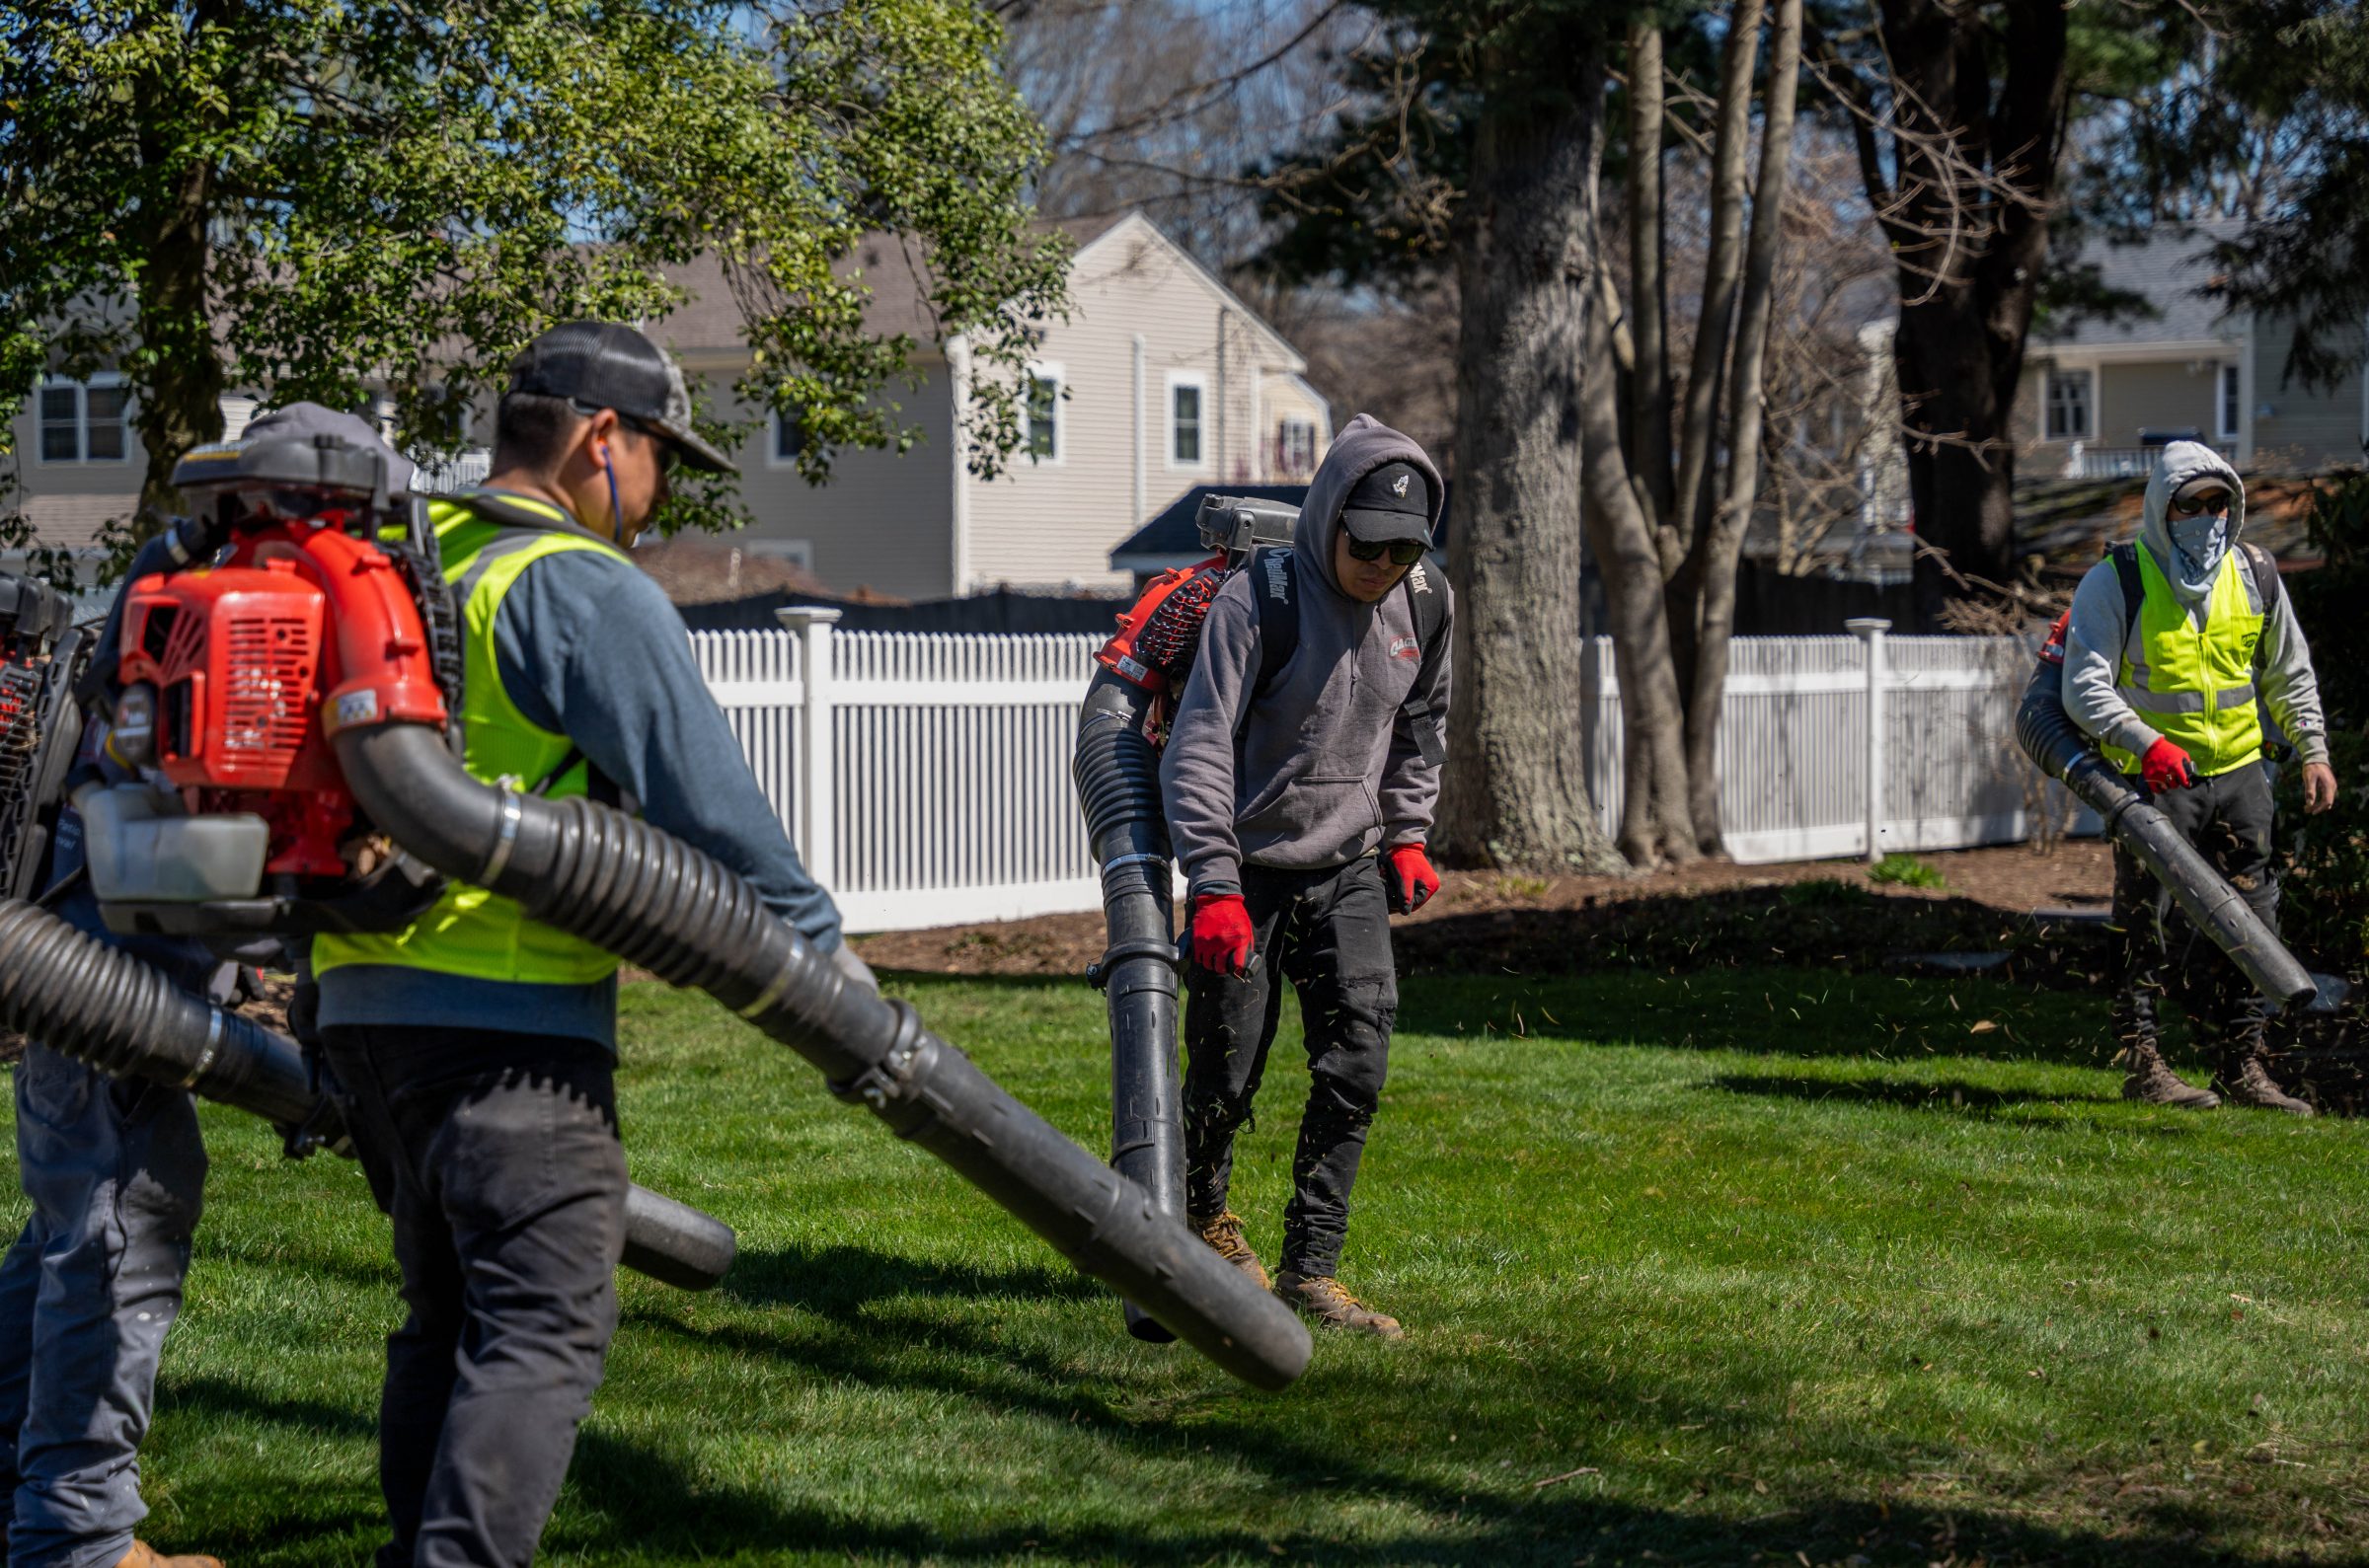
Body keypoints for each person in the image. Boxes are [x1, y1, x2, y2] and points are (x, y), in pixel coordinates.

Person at [308, 322, 870, 1567]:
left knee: (442, 1313)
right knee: (543, 1323)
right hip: (508, 1031)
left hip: (361, 1008)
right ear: (599, 440)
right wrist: (828, 958)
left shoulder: (403, 563)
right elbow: (709, 804)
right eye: (662, 454)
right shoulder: (576, 584)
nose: (660, 489)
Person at [0, 402, 403, 1568]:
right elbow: (265, 827)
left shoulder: (172, 577)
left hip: (84, 956)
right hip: (101, 983)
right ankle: (78, 1537)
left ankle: (19, 1483)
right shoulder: (254, 610)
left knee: (70, 1233)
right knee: (121, 1225)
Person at [1157, 414, 1452, 1340]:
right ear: (1329, 517)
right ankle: (1202, 1216)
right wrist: (1210, 884)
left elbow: (1421, 725)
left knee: (1357, 1060)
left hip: (1349, 863)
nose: (1383, 564)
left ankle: (1312, 1269)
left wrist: (1406, 833)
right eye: (1368, 545)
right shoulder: (1262, 599)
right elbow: (1198, 743)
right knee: (1225, 1070)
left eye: (1405, 548)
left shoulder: (1427, 601)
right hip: (1244, 868)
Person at [2060, 439, 2335, 1114]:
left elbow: (2287, 672)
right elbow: (2082, 687)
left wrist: (2314, 749)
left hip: (2241, 776)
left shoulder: (2255, 574)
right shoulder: (2118, 580)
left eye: (2221, 503)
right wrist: (2144, 742)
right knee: (2144, 922)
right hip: (2153, 785)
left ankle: (2244, 1066)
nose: (2209, 517)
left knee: (2255, 922)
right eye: (2194, 504)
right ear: (2164, 507)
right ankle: (2144, 1065)